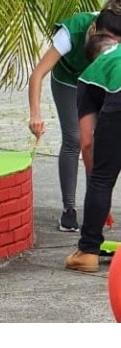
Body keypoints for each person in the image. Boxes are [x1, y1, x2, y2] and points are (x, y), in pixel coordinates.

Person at [27, 0, 121, 232]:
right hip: (68, 80)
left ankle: (96, 207)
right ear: (94, 30)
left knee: (98, 141)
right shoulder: (73, 32)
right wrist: (35, 114)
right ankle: (68, 209)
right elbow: (37, 74)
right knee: (74, 139)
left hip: (99, 81)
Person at [65, 34, 121, 272]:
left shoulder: (89, 74)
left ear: (93, 56)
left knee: (102, 178)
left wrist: (98, 194)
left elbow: (87, 142)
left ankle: (87, 252)